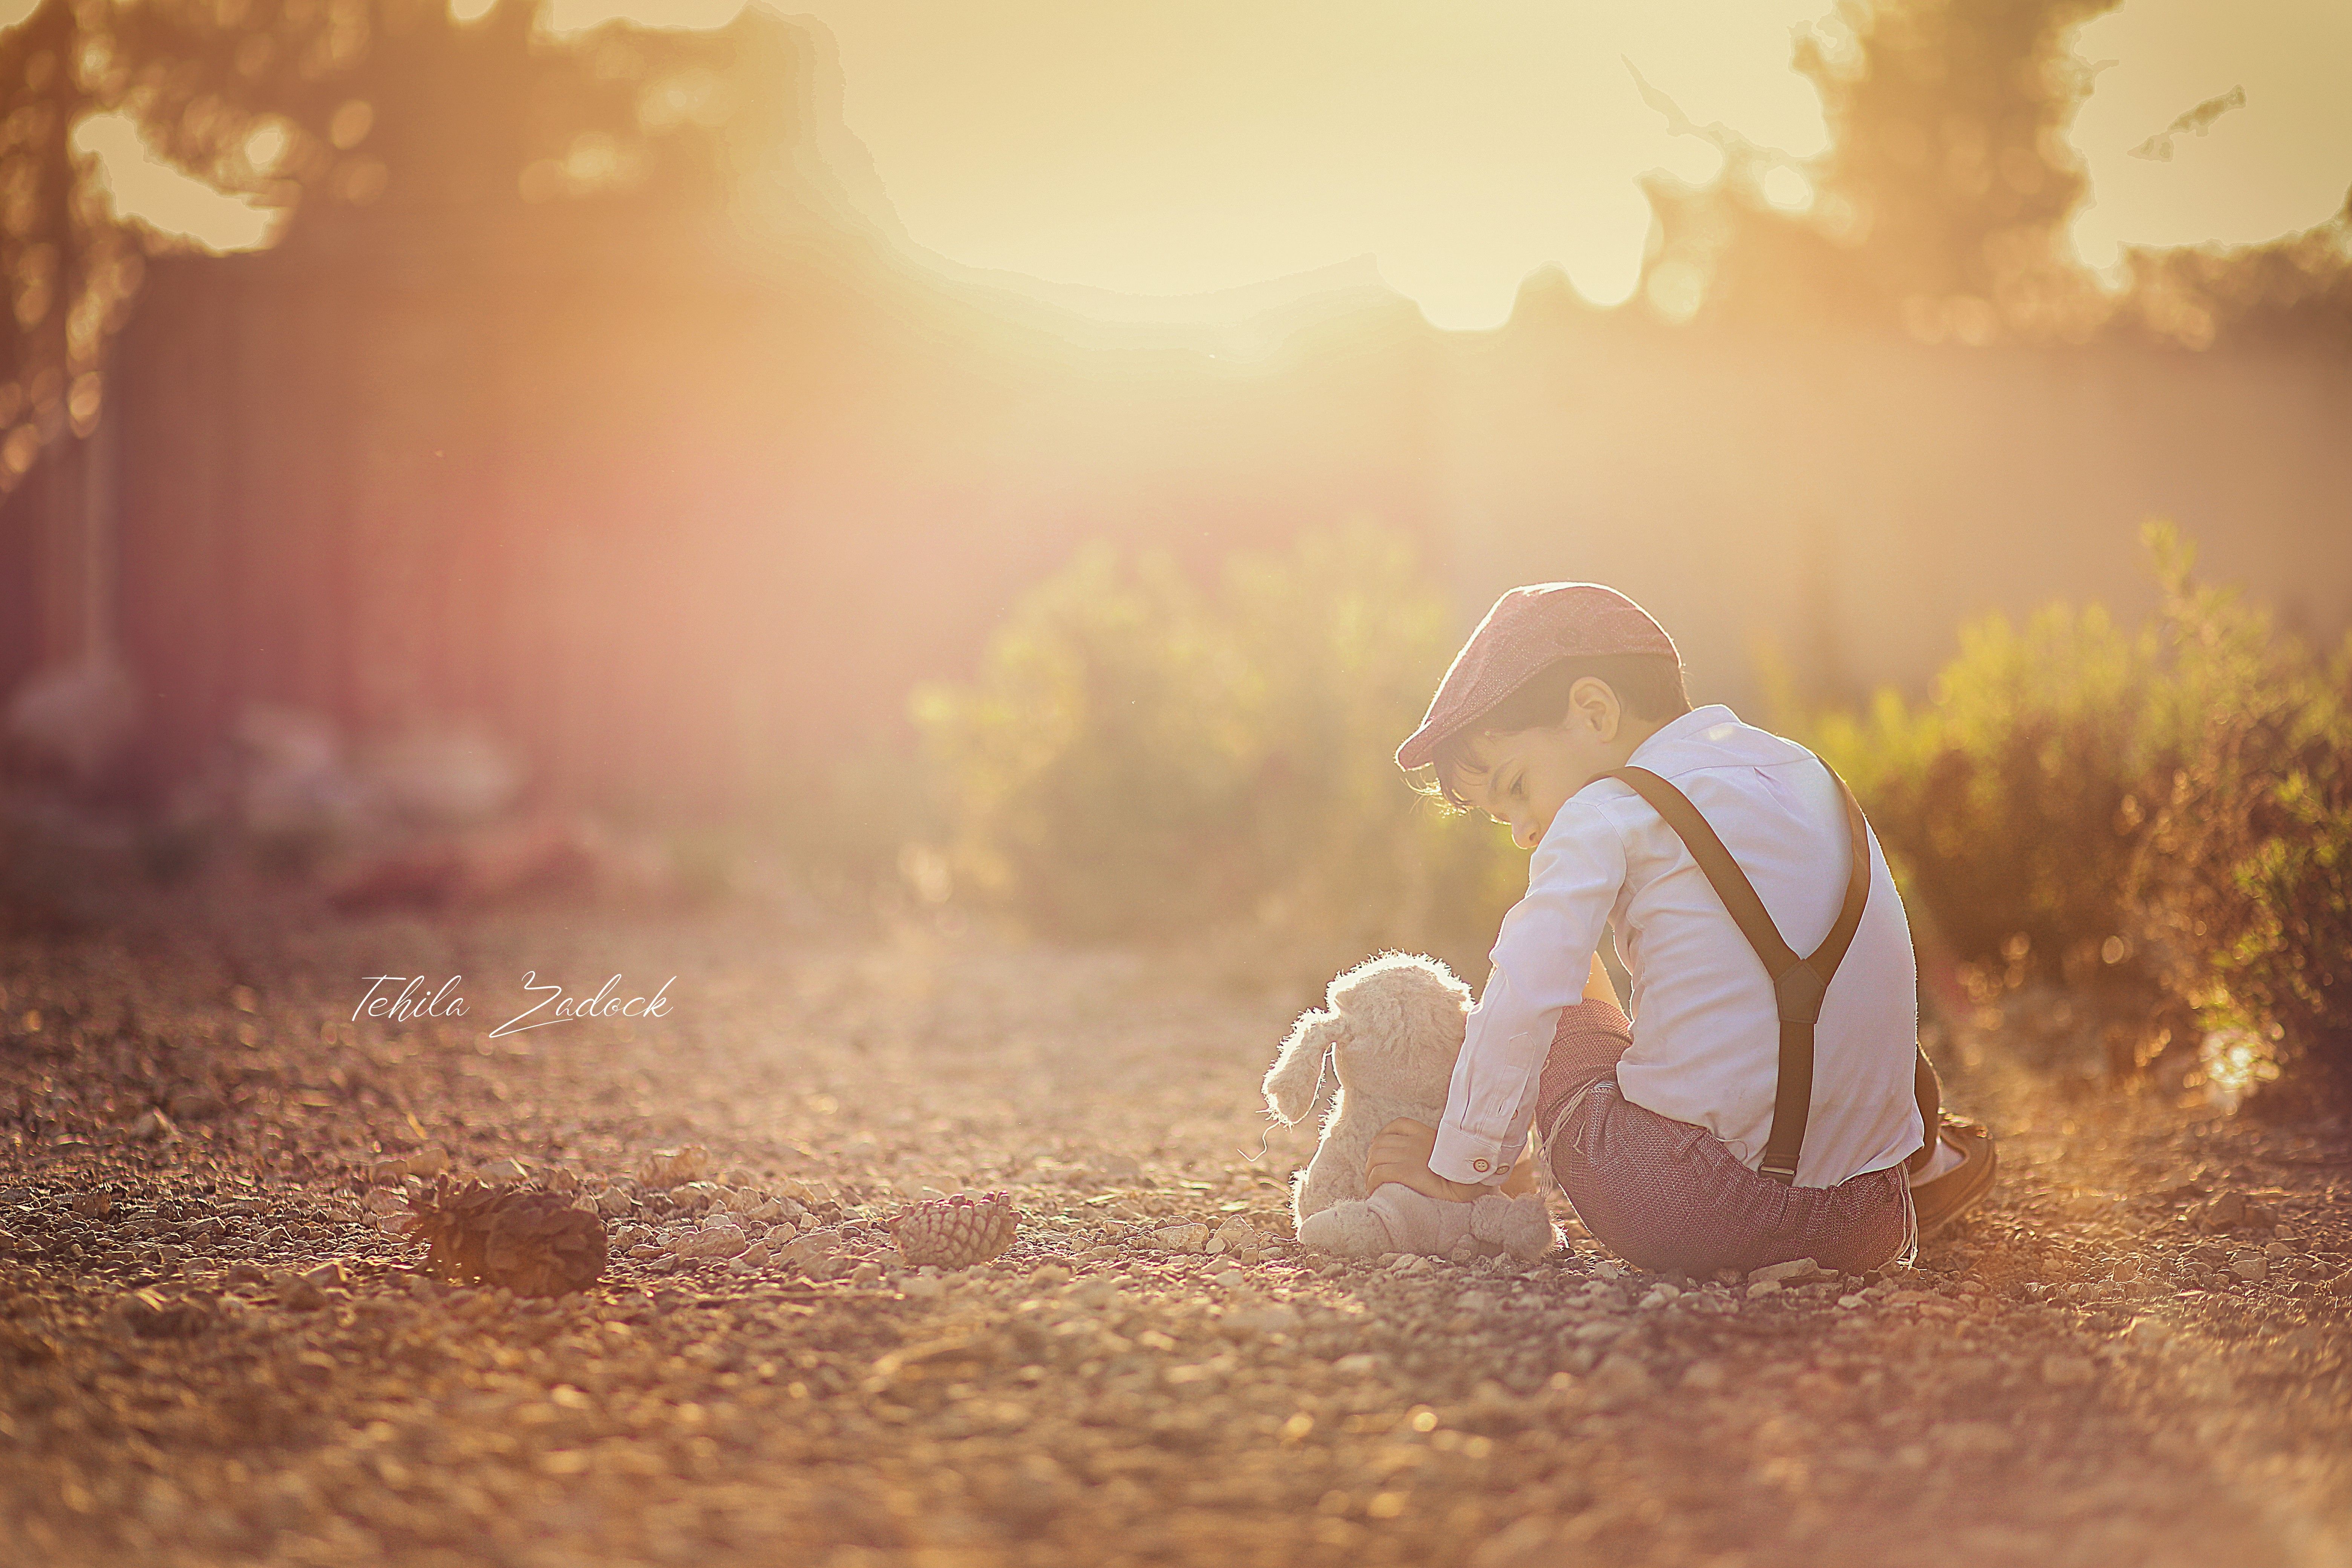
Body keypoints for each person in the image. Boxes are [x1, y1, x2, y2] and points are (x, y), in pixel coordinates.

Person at [1363, 582, 1995, 1277]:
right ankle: (1926, 1162)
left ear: (1595, 711)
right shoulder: (1806, 770)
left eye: (1516, 788)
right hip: (1867, 1219)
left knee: (1563, 968)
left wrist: (1463, 1164)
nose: (1523, 832)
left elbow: (1525, 991)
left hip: (1688, 1210)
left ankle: (1499, 1178)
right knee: (1821, 999)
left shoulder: (1602, 810)